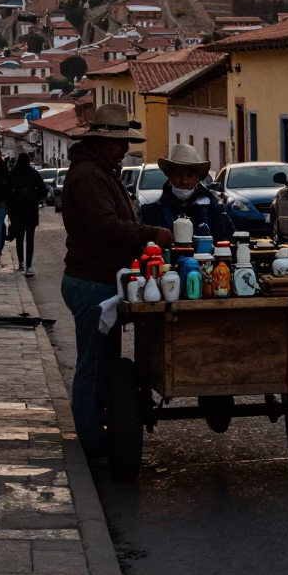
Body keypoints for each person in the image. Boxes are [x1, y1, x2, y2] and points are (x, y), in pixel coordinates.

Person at [61, 104, 173, 462]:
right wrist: (151, 233)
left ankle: (97, 433)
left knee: (103, 363)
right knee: (94, 365)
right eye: (119, 142)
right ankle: (92, 442)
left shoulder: (99, 172)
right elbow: (105, 228)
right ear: (101, 142)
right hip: (92, 282)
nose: (125, 148)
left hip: (100, 280)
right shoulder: (89, 177)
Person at [141, 143, 233, 241]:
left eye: (189, 176)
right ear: (169, 176)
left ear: (197, 178)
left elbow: (226, 242)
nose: (184, 181)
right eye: (178, 175)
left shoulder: (214, 209)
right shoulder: (152, 212)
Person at [7, 153, 47, 276]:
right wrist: (35, 198)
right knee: (30, 239)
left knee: (19, 238)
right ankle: (29, 266)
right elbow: (43, 190)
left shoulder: (13, 173)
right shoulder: (33, 173)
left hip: (17, 211)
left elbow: (7, 191)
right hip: (30, 210)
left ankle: (21, 263)